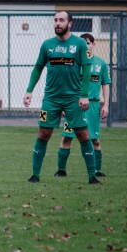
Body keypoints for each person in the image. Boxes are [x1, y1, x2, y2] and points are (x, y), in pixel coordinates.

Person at [23, 11, 99, 184]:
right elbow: (38, 68)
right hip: (50, 99)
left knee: (83, 135)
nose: (57, 23)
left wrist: (84, 95)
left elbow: (87, 70)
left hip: (74, 99)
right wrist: (29, 91)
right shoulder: (47, 45)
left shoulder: (80, 44)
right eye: (55, 20)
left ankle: (92, 176)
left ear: (70, 23)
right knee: (43, 133)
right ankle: (35, 175)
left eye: (61, 20)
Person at [55, 33, 111, 178]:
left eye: (88, 42)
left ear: (93, 44)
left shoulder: (101, 64)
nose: (85, 45)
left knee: (95, 140)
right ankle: (61, 170)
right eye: (82, 43)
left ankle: (97, 170)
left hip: (92, 106)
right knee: (67, 137)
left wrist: (105, 105)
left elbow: (105, 84)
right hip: (73, 106)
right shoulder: (72, 62)